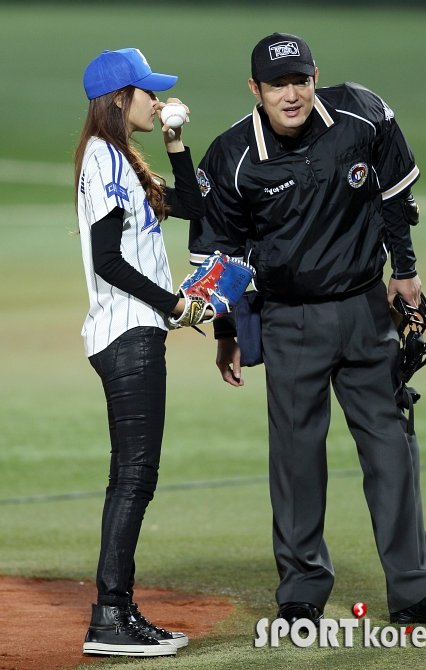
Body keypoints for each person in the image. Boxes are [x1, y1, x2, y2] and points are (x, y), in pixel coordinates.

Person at [189, 33, 426, 626]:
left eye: (300, 81)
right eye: (277, 85)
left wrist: (405, 271)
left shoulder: (361, 112)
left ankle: (417, 589)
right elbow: (218, 258)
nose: (291, 95)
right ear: (255, 89)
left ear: (316, 77)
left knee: (392, 446)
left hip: (366, 309)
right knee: (296, 458)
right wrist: (229, 331)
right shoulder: (232, 156)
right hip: (289, 319)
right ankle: (302, 591)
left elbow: (395, 196)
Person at [74, 47, 205, 657]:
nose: (157, 101)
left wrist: (176, 144)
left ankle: (119, 609)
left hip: (135, 331)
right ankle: (110, 615)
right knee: (133, 476)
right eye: (148, 92)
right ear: (119, 98)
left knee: (135, 475)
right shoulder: (103, 157)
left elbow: (194, 207)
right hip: (128, 333)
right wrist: (172, 302)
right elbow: (107, 260)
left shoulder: (123, 158)